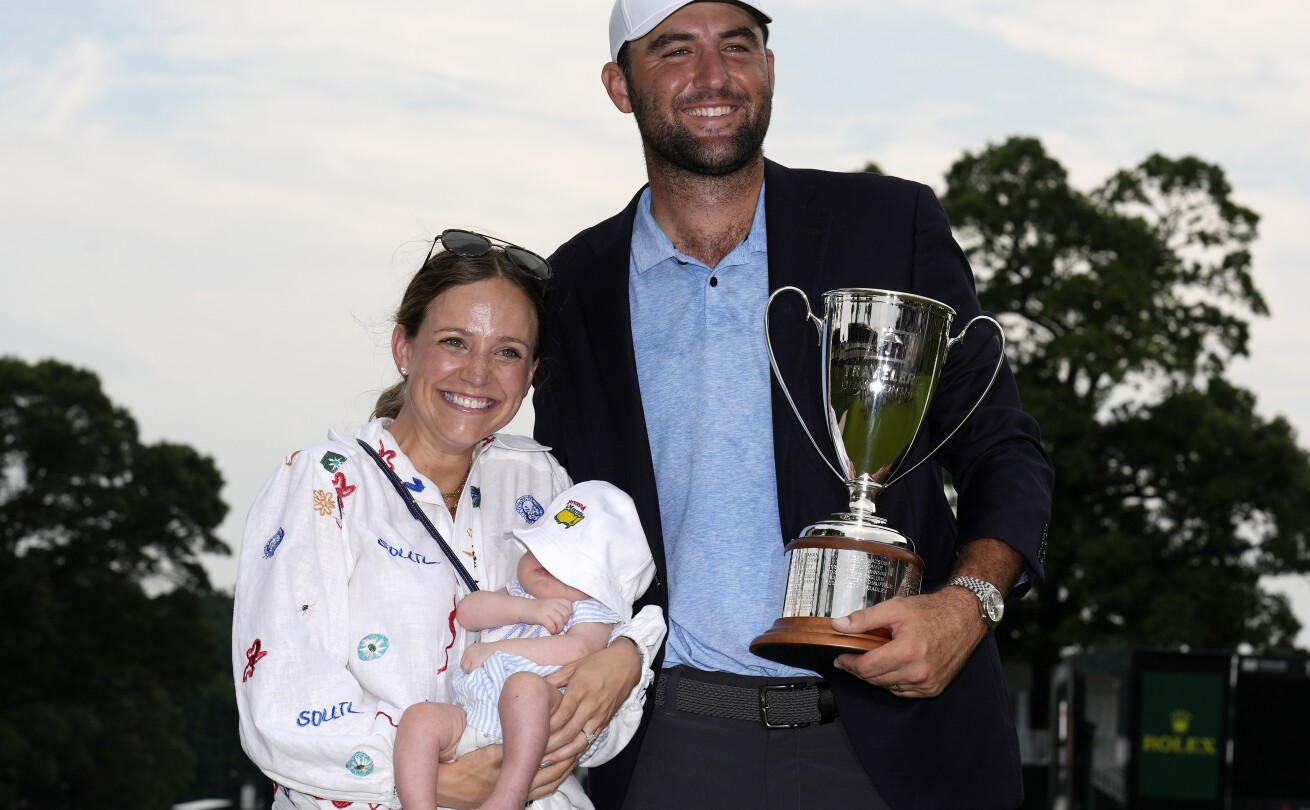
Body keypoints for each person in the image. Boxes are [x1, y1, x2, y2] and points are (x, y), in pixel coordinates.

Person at [531, 2, 1055, 808]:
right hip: (668, 751)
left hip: (895, 746)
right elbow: (561, 523)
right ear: (619, 85)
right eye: (675, 50)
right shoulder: (572, 288)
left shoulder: (891, 225)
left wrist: (968, 604)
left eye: (738, 46)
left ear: (768, 70)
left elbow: (1003, 447)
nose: (714, 76)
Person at [233, 231, 666, 810]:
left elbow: (600, 714)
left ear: (532, 373)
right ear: (404, 347)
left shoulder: (549, 486)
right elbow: (281, 702)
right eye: (455, 342)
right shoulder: (324, 484)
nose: (479, 373)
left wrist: (622, 661)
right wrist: (428, 778)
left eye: (507, 352)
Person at [394, 480, 658, 810]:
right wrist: (525, 609)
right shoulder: (520, 592)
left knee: (524, 687)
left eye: (568, 565)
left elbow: (578, 651)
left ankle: (511, 794)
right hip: (475, 718)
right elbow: (468, 611)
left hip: (544, 725)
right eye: (541, 551)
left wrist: (495, 651)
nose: (547, 564)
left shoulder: (591, 609)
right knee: (419, 719)